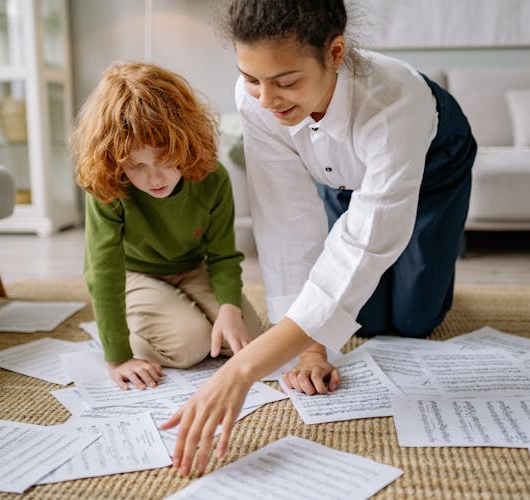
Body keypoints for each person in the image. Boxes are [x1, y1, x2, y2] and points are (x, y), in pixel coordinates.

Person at [162, 0, 476, 475]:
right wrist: (309, 348)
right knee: (359, 318)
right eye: (251, 78)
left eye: (286, 81)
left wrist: (242, 371)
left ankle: (432, 254)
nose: (266, 99)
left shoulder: (394, 100)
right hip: (340, 179)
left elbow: (368, 244)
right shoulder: (258, 99)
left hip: (433, 168)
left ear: (334, 53)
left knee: (413, 319)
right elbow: (284, 218)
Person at [70, 62, 263, 391]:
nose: (155, 178)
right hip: (136, 274)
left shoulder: (213, 178)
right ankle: (128, 322)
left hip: (191, 268)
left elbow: (222, 254)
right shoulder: (109, 188)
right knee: (191, 344)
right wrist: (117, 356)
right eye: (136, 165)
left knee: (250, 338)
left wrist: (229, 307)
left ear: (185, 142)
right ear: (116, 161)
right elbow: (104, 271)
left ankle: (177, 309)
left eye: (164, 159)